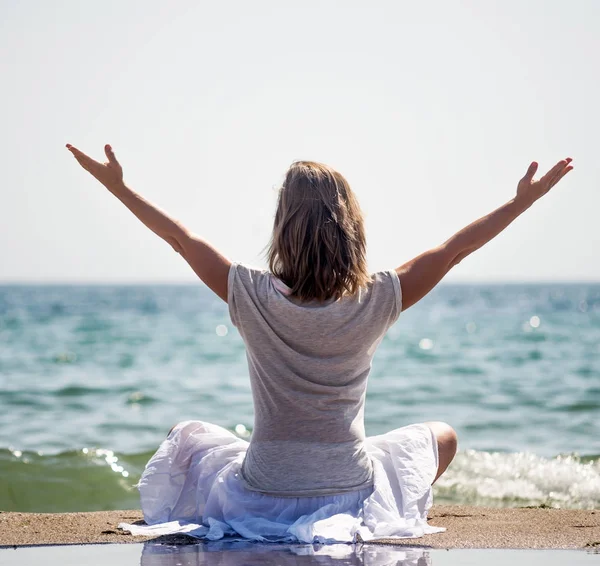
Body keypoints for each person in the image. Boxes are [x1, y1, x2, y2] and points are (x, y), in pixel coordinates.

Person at [66, 143, 573, 543]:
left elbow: (178, 239)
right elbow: (455, 250)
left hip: (263, 487)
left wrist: (120, 188)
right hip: (348, 487)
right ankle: (379, 505)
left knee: (185, 433)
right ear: (350, 225)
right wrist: (520, 203)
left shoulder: (248, 291)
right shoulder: (380, 296)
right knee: (443, 435)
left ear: (282, 225)